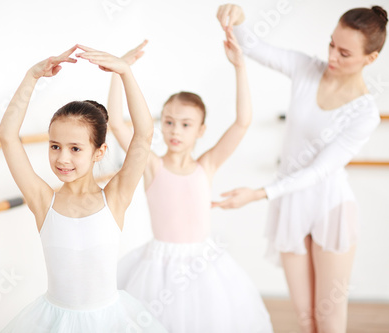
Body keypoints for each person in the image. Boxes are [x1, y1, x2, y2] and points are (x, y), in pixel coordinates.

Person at [213, 4, 387, 333]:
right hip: (291, 205)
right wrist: (237, 16)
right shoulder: (307, 69)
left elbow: (320, 170)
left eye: (345, 53)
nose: (333, 56)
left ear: (371, 59)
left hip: (330, 208)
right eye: (331, 44)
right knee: (306, 318)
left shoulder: (364, 114)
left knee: (330, 319)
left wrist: (258, 194)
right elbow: (253, 46)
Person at [108, 30, 273, 332]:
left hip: (203, 267)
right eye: (168, 122)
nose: (175, 131)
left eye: (186, 124)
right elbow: (117, 123)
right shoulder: (151, 164)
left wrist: (240, 66)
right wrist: (119, 71)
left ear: (201, 130)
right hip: (157, 266)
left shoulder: (206, 165)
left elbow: (242, 122)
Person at [0, 44, 167, 332]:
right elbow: (7, 136)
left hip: (109, 321)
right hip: (55, 321)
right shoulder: (42, 201)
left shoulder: (115, 197)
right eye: (55, 146)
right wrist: (31, 77)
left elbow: (144, 134)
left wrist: (125, 72)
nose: (62, 158)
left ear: (99, 152)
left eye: (75, 148)